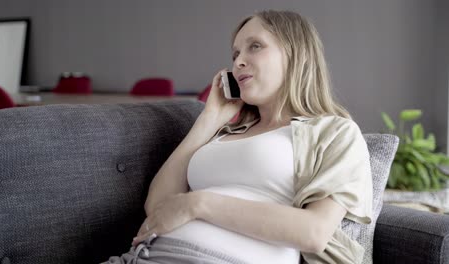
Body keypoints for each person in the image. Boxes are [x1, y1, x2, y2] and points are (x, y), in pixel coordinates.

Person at [104, 9, 372, 264]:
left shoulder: (334, 131)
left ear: (296, 54)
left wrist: (197, 204)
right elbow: (157, 207)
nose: (238, 61)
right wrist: (209, 120)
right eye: (235, 53)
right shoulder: (224, 133)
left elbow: (313, 233)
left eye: (255, 46)